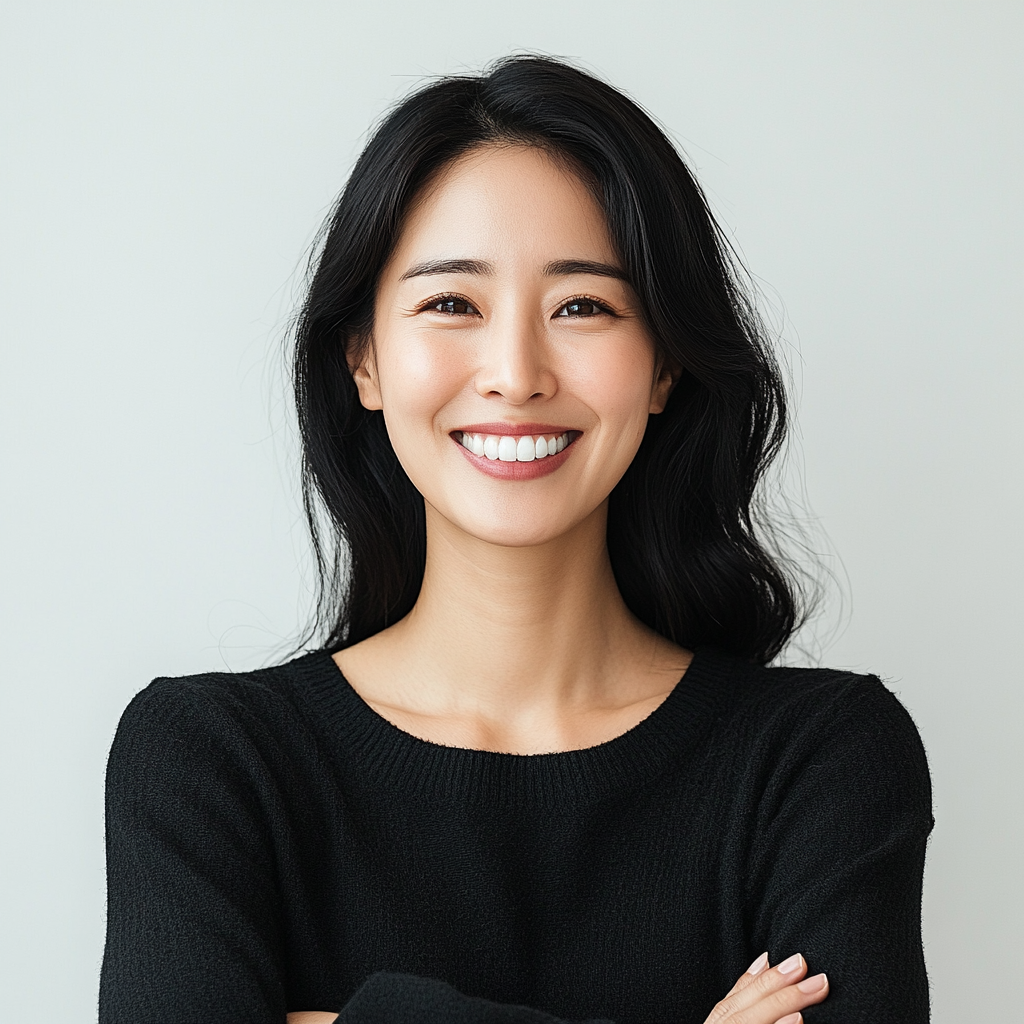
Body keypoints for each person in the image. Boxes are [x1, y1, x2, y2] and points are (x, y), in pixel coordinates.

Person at [98, 56, 933, 1024]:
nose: (515, 371)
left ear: (663, 363)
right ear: (361, 357)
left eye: (583, 305)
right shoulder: (212, 761)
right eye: (451, 302)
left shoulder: (818, 759)